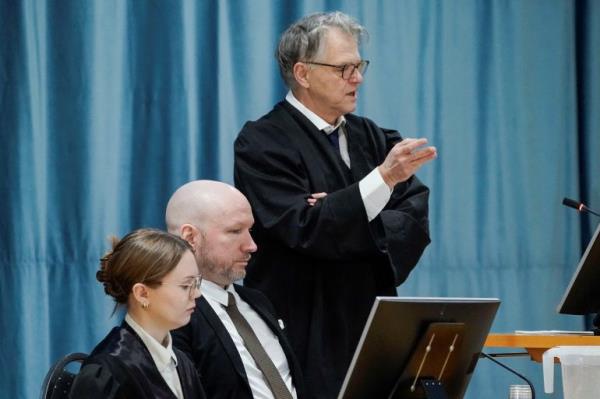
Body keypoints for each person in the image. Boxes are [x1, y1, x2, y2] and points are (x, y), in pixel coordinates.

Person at [233, 11, 437, 398]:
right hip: (302, 322)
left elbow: (414, 218)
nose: (357, 78)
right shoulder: (262, 142)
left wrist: (345, 213)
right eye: (344, 68)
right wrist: (381, 183)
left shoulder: (373, 136)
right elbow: (304, 229)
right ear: (303, 73)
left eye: (359, 66)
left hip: (371, 316)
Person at [167, 180, 306, 399]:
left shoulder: (258, 301)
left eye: (249, 230)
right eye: (234, 231)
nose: (252, 245)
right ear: (190, 237)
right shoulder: (173, 316)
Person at [70, 228, 206, 399]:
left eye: (197, 283)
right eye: (186, 286)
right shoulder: (107, 373)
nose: (197, 294)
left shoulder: (182, 364)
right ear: (142, 293)